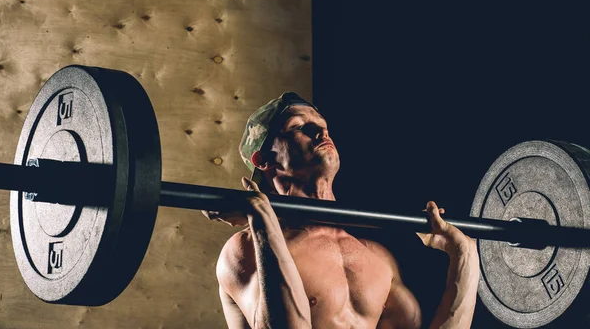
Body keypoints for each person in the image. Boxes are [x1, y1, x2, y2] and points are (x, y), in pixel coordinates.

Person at [203, 92, 480, 329]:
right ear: (264, 159)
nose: (320, 132)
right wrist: (262, 221)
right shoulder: (244, 251)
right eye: (299, 127)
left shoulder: (377, 258)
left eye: (322, 126)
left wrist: (464, 255)